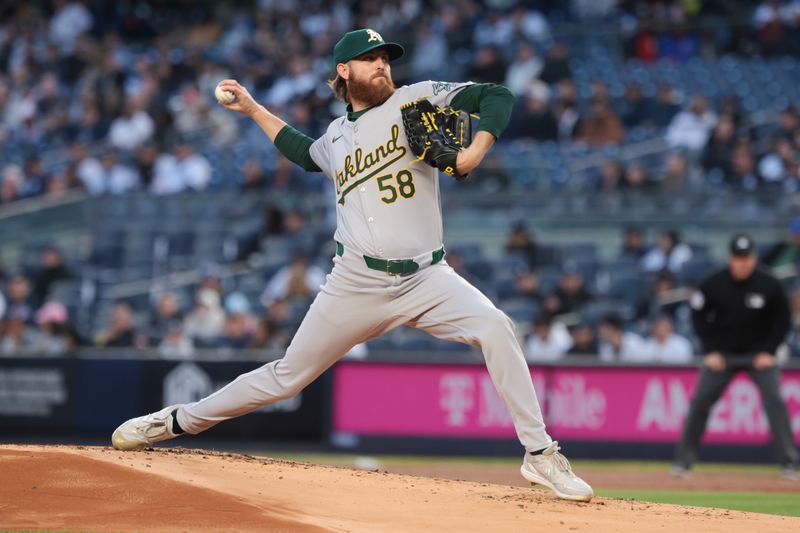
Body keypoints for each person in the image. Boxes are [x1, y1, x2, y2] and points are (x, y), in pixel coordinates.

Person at [111, 28, 592, 502]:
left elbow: (497, 95)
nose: (382, 63)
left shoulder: (417, 99)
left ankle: (540, 453)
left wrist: (471, 152)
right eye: (370, 57)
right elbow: (302, 153)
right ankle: (176, 420)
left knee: (496, 327)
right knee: (286, 377)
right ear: (344, 70)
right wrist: (255, 110)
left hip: (428, 276)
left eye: (385, 56)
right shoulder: (336, 136)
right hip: (356, 281)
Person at [673, 234, 798, 479]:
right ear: (731, 258)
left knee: (775, 400)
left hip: (758, 357)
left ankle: (789, 463)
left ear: (754, 258)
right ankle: (683, 462)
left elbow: (783, 321)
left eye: (747, 258)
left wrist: (769, 351)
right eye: (738, 258)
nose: (743, 263)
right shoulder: (713, 283)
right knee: (700, 401)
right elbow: (698, 317)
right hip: (722, 356)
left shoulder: (769, 284)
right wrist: (710, 350)